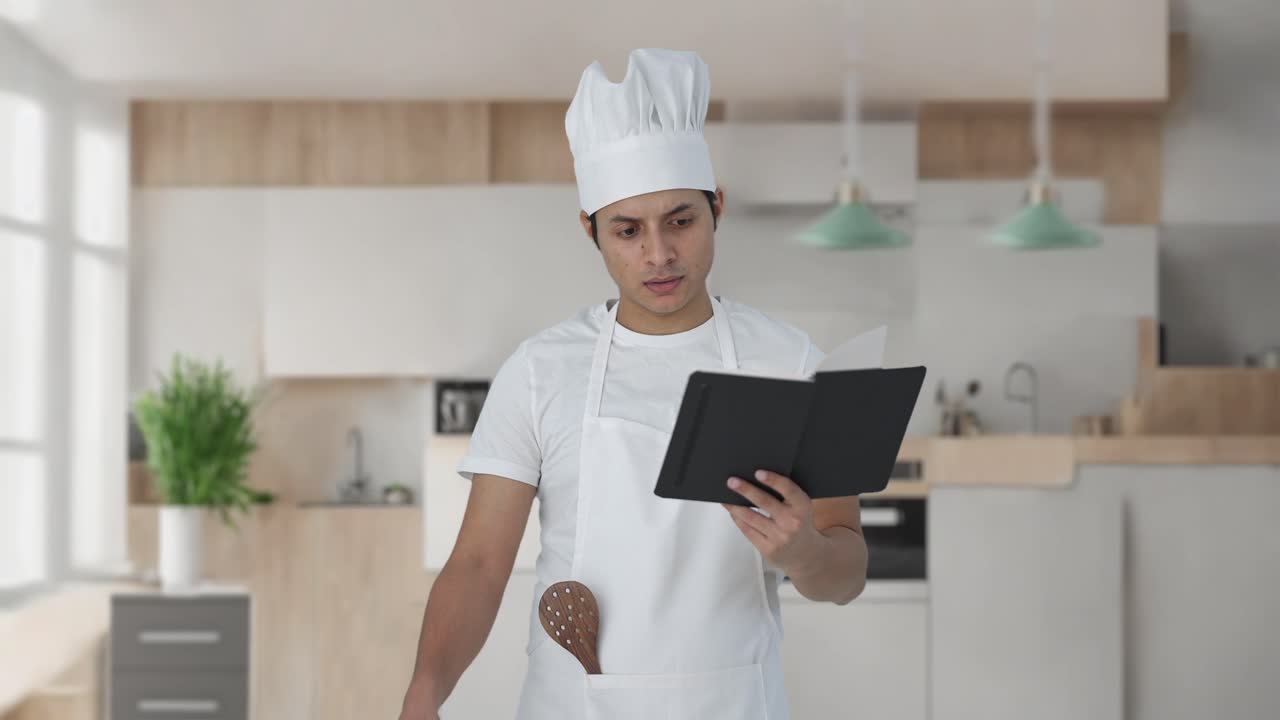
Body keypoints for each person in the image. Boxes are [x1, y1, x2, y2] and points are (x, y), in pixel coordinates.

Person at [399, 48, 867, 720]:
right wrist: (424, 693)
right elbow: (478, 565)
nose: (659, 255)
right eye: (627, 230)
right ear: (590, 230)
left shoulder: (792, 365)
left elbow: (846, 572)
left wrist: (806, 554)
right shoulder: (540, 371)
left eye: (681, 220)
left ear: (717, 210)